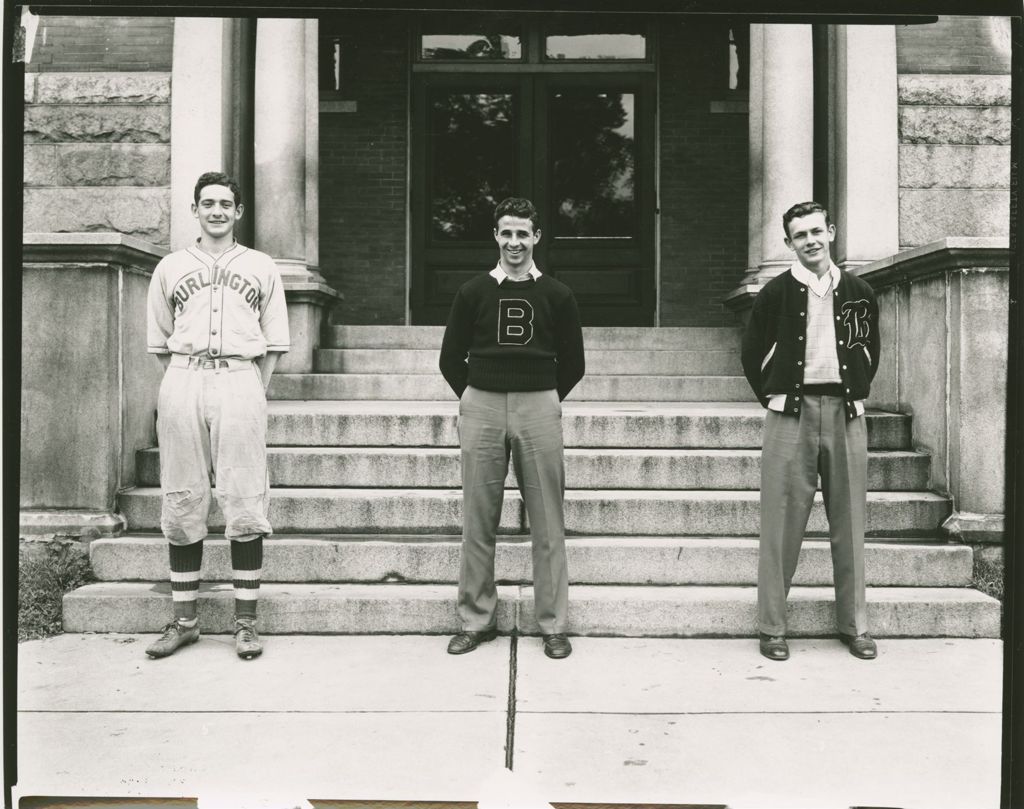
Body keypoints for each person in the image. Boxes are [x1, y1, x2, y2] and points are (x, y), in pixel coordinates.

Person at [144, 171, 289, 660]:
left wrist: (249, 389)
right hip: (183, 376)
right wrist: (184, 381)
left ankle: (245, 624)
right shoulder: (169, 266)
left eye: (226, 204)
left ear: (239, 212)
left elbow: (274, 344)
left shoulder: (262, 265)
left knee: (245, 497)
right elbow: (161, 341)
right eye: (208, 203)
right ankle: (185, 621)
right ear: (195, 210)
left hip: (240, 378)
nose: (217, 211)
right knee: (183, 495)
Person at [439, 197, 585, 659]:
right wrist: (476, 394)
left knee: (547, 521)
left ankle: (553, 624)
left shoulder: (557, 294)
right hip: (481, 403)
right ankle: (475, 619)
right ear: (495, 236)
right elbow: (450, 357)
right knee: (478, 520)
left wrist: (541, 397)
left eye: (523, 233)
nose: (515, 242)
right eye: (507, 233)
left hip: (539, 405)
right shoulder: (473, 292)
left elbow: (574, 363)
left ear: (537, 237)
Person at [741, 201, 880, 662]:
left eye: (817, 232)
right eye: (800, 236)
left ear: (832, 232)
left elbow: (869, 350)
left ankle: (855, 626)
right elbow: (752, 352)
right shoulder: (774, 294)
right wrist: (773, 395)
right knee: (781, 526)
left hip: (845, 414)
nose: (811, 241)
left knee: (850, 524)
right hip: (790, 416)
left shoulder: (860, 290)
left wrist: (855, 387)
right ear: (788, 244)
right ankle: (772, 628)